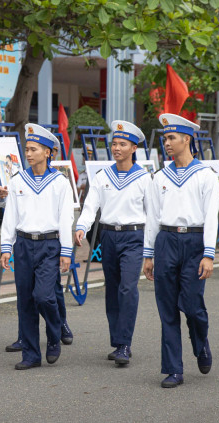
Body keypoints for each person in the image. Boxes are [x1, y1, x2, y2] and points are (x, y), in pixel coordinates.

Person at [143, 113, 219, 388]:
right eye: (165, 138)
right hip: (166, 241)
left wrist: (209, 254)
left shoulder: (206, 175)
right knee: (167, 309)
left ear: (187, 139)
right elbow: (152, 216)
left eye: (172, 138)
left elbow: (212, 216)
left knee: (193, 307)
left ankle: (201, 343)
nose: (167, 143)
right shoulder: (159, 176)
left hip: (195, 244)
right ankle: (173, 368)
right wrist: (148, 254)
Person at [75, 120, 152, 366]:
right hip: (108, 236)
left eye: (123, 144)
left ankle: (125, 344)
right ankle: (118, 342)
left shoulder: (144, 178)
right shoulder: (102, 176)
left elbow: (153, 214)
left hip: (134, 237)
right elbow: (90, 206)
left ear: (133, 148)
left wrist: (152, 249)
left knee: (127, 288)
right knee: (112, 289)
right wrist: (81, 226)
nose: (117, 148)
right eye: (114, 143)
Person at [0, 124, 73, 370]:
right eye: (27, 149)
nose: (28, 154)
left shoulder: (60, 183)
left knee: (44, 296)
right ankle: (31, 354)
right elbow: (11, 215)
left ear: (48, 152)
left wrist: (66, 251)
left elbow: (65, 219)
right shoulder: (18, 180)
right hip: (23, 245)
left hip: (50, 245)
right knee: (25, 301)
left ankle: (53, 334)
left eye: (34, 149)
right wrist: (6, 246)